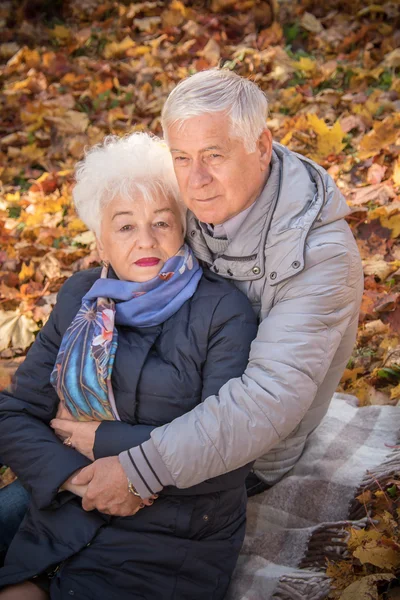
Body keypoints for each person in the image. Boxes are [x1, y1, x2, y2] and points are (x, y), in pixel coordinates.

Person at [56, 67, 363, 514]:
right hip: (147, 413)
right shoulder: (190, 200)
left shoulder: (320, 257)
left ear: (261, 146)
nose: (195, 179)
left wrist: (134, 463)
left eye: (213, 155)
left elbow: (266, 401)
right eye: (181, 157)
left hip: (243, 456)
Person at [0, 132, 257, 599]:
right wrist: (75, 478)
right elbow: (14, 414)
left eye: (161, 222)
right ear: (101, 240)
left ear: (184, 228)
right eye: (124, 226)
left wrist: (103, 441)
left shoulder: (224, 312)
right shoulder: (82, 297)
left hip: (176, 533)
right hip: (67, 509)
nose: (146, 240)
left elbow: (230, 454)